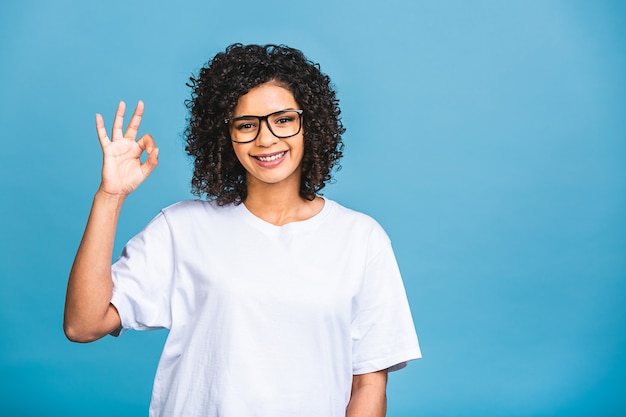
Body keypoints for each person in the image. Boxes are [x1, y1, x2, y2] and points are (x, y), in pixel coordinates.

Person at [64, 43, 420, 417]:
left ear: (310, 123)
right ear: (225, 137)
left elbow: (368, 384)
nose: (266, 139)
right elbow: (83, 324)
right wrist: (110, 195)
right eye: (247, 125)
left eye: (283, 119)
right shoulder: (182, 228)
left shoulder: (361, 239)